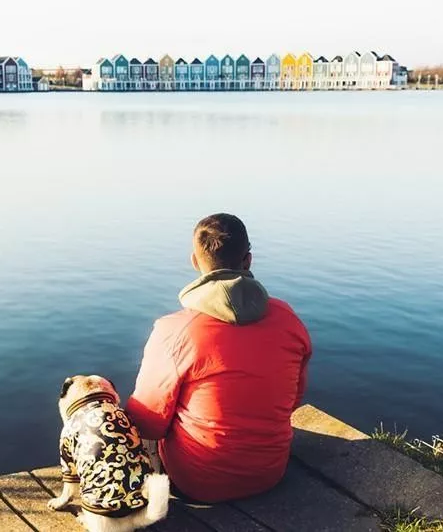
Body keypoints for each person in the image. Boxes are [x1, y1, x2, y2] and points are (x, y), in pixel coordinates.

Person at [125, 213, 312, 503]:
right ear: (248, 260)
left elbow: (148, 423)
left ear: (195, 261)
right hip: (269, 473)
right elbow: (294, 397)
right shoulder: (288, 319)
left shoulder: (173, 331)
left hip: (196, 482)